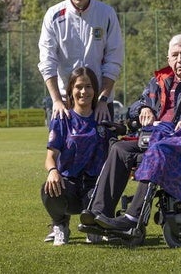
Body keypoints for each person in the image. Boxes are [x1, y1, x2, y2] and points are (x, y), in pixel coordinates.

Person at [79, 34, 181, 232]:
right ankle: (99, 214)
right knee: (120, 148)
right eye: (175, 55)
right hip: (156, 136)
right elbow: (137, 104)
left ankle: (132, 220)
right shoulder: (158, 82)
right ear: (168, 59)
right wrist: (143, 109)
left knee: (158, 150)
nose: (180, 59)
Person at [38, 0, 124, 122]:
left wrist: (103, 100)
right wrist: (56, 100)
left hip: (100, 103)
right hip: (65, 103)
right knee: (59, 148)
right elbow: (46, 61)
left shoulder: (107, 13)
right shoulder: (53, 15)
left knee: (105, 148)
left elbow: (114, 59)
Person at [41, 67, 114, 245]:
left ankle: (93, 226)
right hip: (70, 186)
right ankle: (60, 225)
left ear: (95, 90)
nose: (84, 91)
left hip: (94, 185)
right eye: (79, 86)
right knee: (48, 188)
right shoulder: (62, 118)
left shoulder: (102, 118)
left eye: (88, 86)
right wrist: (52, 171)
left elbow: (115, 154)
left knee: (102, 192)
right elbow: (50, 156)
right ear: (71, 91)